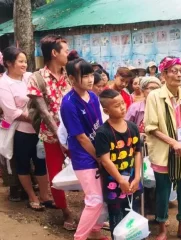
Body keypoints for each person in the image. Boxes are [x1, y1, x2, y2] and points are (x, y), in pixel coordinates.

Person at [27, 34, 75, 230]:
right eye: (65, 50)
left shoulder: (71, 74)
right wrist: (60, 136)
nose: (68, 53)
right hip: (51, 135)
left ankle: (94, 207)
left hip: (75, 132)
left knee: (87, 168)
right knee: (55, 174)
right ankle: (66, 211)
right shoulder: (37, 78)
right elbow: (44, 111)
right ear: (54, 53)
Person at [144, 56, 181, 240]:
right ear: (164, 74)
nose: (179, 75)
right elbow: (151, 127)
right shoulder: (154, 96)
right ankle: (163, 229)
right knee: (163, 190)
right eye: (174, 71)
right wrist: (173, 142)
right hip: (163, 150)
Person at [60, 58, 108, 240]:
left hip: (98, 151)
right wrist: (100, 157)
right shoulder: (69, 103)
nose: (90, 80)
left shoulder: (93, 96)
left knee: (102, 196)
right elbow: (80, 137)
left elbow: (100, 125)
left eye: (90, 75)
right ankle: (79, 237)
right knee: (94, 200)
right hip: (84, 157)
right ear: (72, 78)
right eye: (84, 76)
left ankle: (95, 232)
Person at [0, 46, 52, 211]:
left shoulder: (29, 77)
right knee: (23, 164)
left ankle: (45, 195)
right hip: (22, 131)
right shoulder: (4, 84)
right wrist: (37, 119)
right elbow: (11, 111)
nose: (24, 64)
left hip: (40, 130)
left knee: (41, 162)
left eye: (25, 61)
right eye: (20, 61)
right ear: (8, 63)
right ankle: (32, 196)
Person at [95, 89, 142, 239]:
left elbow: (137, 152)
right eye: (116, 105)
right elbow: (105, 160)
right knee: (116, 215)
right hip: (113, 182)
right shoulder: (103, 132)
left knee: (133, 212)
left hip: (132, 179)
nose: (122, 107)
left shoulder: (132, 127)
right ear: (106, 110)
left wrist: (137, 177)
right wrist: (120, 180)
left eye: (122, 103)